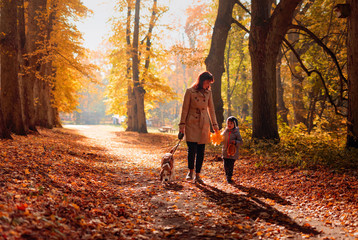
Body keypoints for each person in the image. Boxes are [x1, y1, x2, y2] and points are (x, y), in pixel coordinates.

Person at [179, 71, 219, 183]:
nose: (208, 85)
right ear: (201, 81)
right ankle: (190, 171)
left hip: (204, 124)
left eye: (209, 83)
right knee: (191, 149)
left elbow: (211, 110)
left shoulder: (208, 93)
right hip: (191, 123)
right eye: (207, 82)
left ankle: (197, 174)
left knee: (201, 150)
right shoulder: (190, 92)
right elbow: (185, 109)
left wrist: (215, 125)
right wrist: (182, 125)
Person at [221, 116, 243, 184]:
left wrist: (236, 142)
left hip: (233, 152)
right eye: (228, 123)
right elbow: (222, 139)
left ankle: (229, 177)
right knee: (225, 164)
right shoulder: (225, 131)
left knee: (230, 165)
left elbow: (241, 142)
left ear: (234, 124)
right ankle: (227, 175)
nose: (229, 125)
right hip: (225, 151)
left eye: (231, 123)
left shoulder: (236, 133)